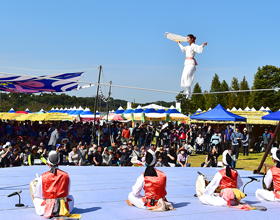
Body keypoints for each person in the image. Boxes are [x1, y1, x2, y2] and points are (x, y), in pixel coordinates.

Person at [33, 151, 76, 218]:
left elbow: (38, 195)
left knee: (36, 198)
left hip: (47, 209)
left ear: (47, 163)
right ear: (59, 162)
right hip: (63, 208)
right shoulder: (66, 175)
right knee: (71, 197)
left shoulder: (43, 177)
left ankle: (50, 209)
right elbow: (66, 194)